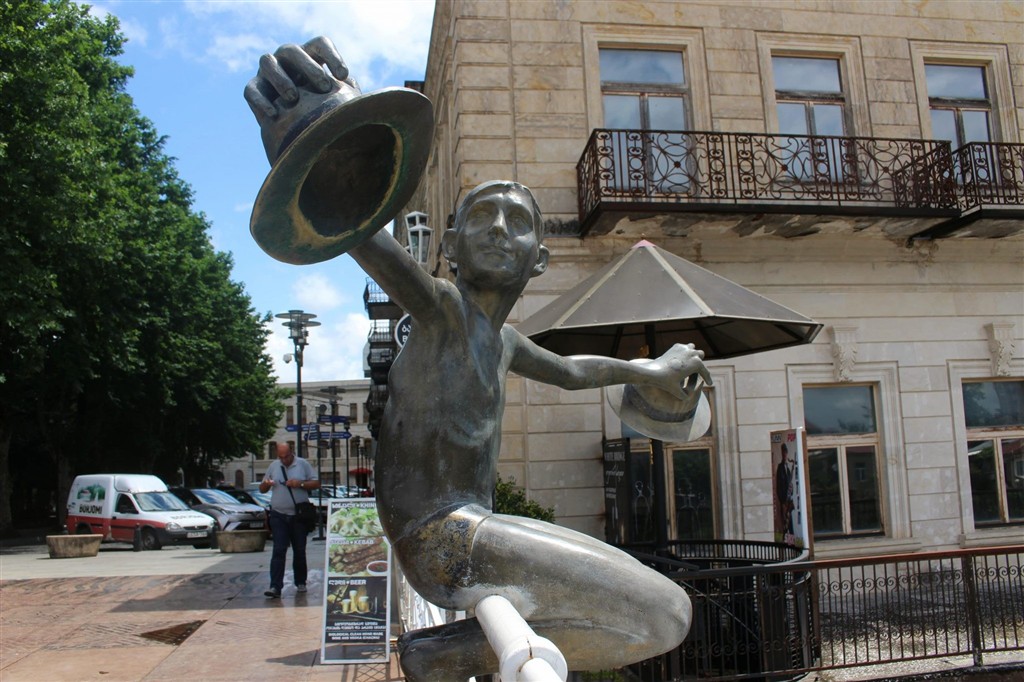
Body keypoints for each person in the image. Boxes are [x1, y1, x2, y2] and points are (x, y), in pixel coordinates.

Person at [246, 38, 713, 680]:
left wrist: (650, 370)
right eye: (482, 216)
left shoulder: (505, 341)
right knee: (666, 613)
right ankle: (440, 659)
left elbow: (576, 371)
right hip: (439, 538)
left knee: (651, 598)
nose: (498, 228)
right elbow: (368, 241)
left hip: (473, 526)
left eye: (517, 221)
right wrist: (319, 148)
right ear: (450, 248)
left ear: (538, 260)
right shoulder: (440, 310)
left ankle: (434, 654)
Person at [259, 442, 319, 598]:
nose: (284, 460)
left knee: (299, 550)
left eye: (286, 457)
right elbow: (262, 489)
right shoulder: (274, 466)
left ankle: (300, 582)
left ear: (292, 452)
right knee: (279, 550)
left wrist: (300, 483)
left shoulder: (302, 464)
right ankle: (275, 586)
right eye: (281, 457)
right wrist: (266, 484)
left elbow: (316, 483)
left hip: (298, 516)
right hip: (278, 515)